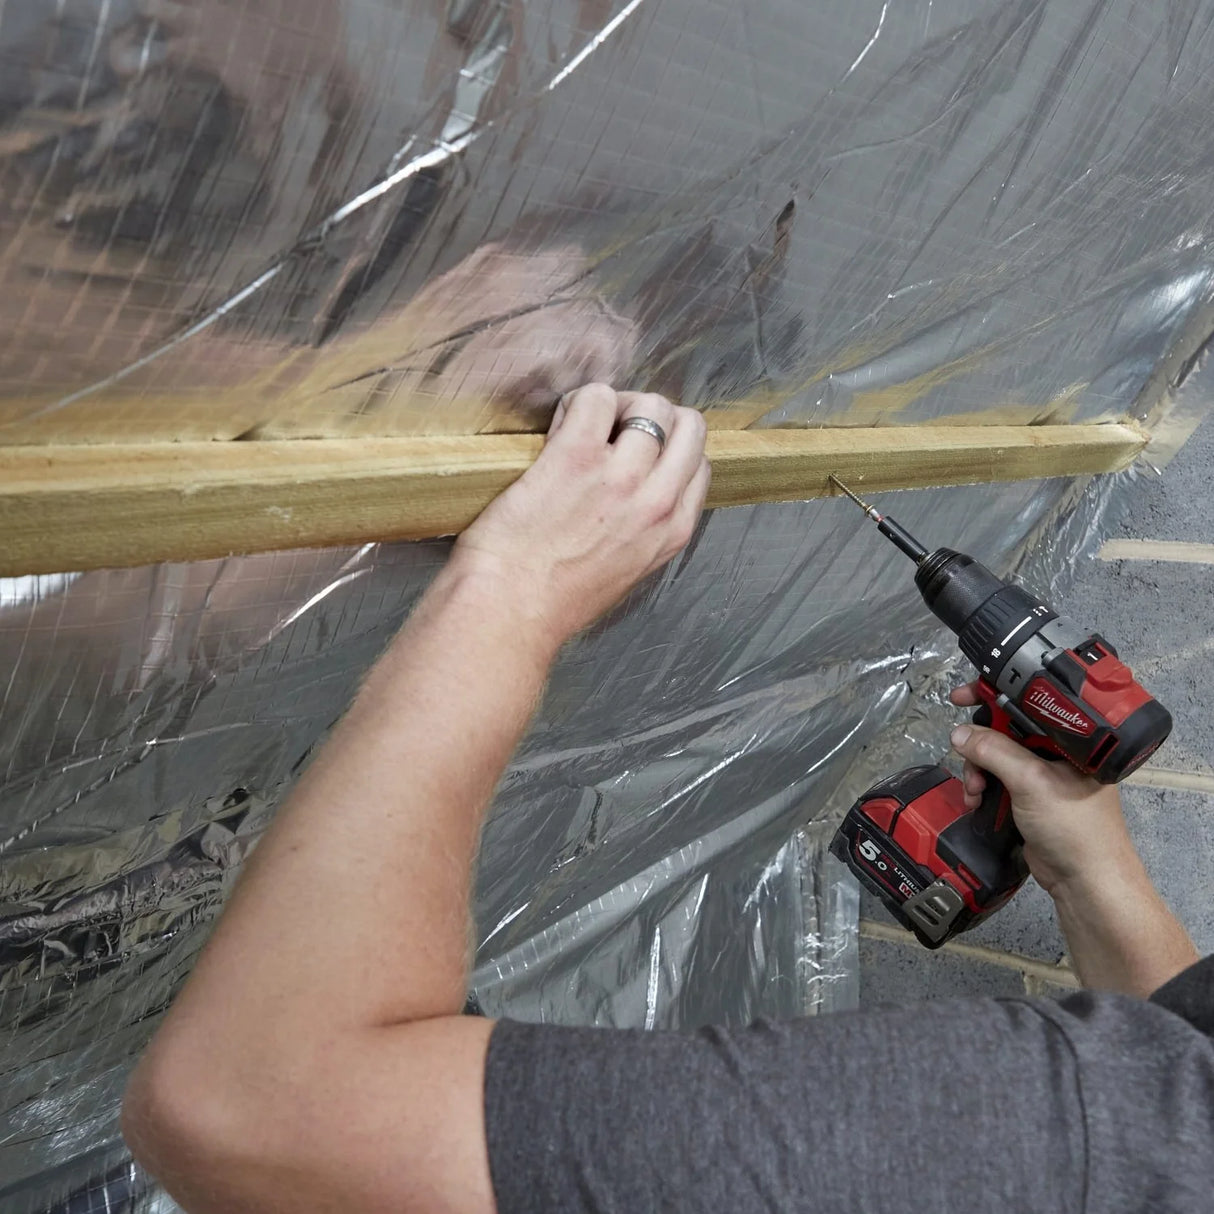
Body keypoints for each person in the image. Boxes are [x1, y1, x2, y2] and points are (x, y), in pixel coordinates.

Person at [121, 383, 1211, 1214]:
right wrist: (1089, 868)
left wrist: (513, 590)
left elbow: (245, 1100)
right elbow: (1181, 1041)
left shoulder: (1060, 1139)